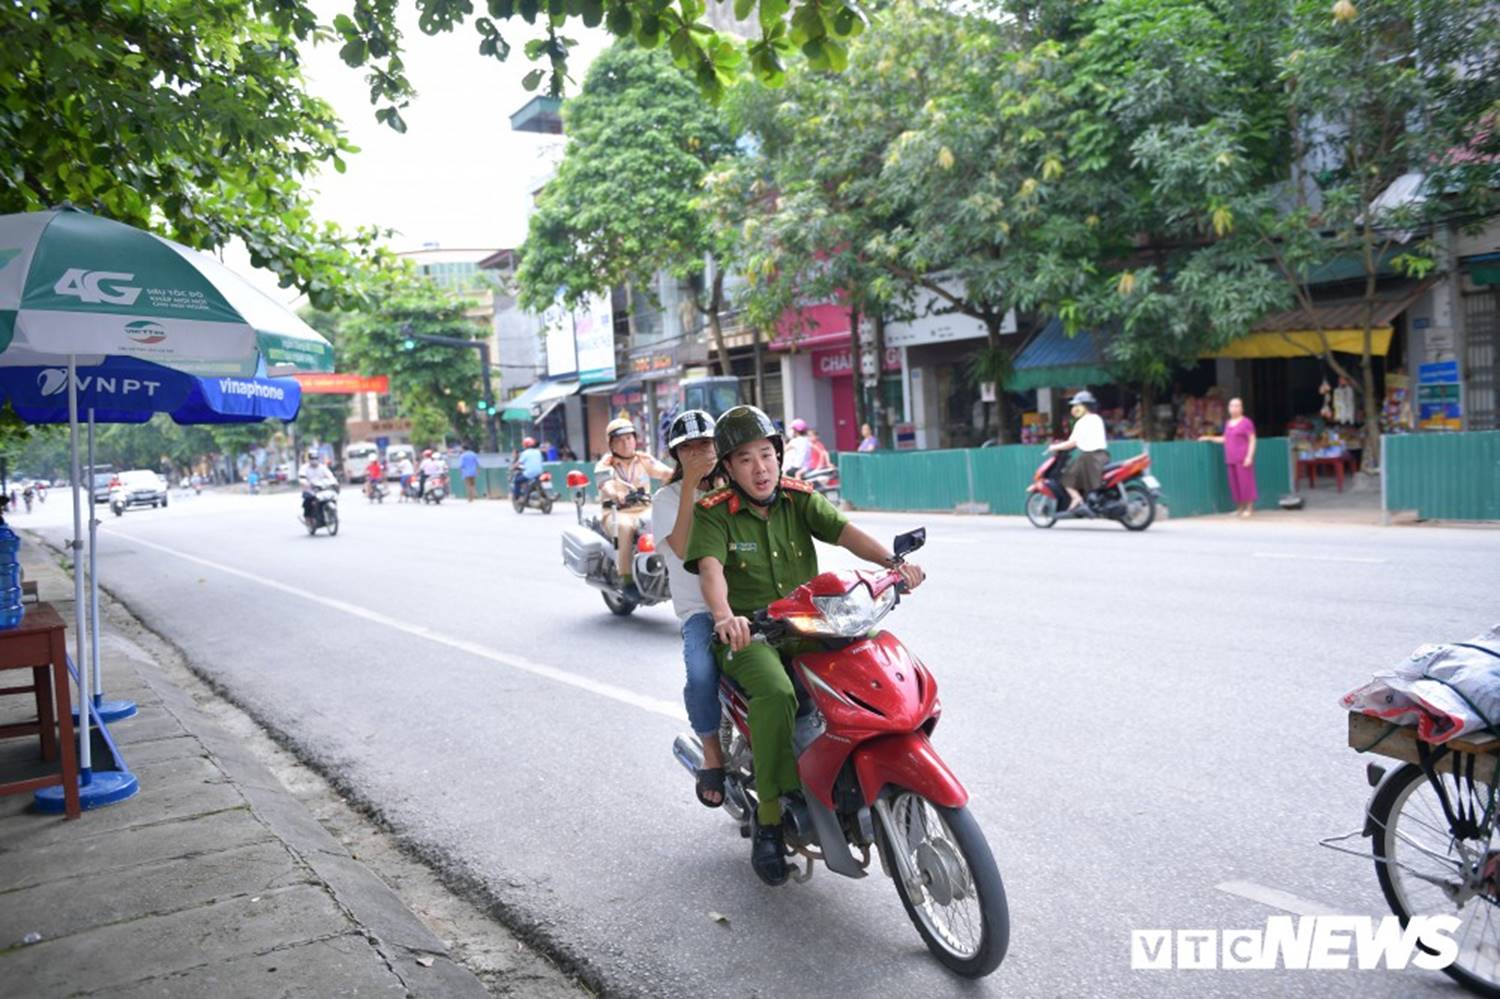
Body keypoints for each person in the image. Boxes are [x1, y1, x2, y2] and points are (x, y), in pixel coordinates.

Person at [684, 405, 926, 885]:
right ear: (728, 468)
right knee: (776, 693)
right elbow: (711, 571)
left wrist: (893, 564)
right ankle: (770, 821)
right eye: (746, 459)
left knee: (873, 655)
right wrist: (725, 617)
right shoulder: (712, 514)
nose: (761, 468)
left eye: (767, 455)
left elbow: (845, 532)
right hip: (751, 635)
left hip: (811, 625)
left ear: (779, 455)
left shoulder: (799, 499)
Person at [650, 410, 726, 808]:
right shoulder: (666, 499)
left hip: (746, 600)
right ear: (677, 455)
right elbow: (681, 547)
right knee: (700, 674)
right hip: (700, 610)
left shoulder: (736, 483)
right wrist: (693, 485)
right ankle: (711, 752)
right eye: (689, 447)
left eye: (706, 444)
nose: (699, 452)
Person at [594, 418, 672, 600]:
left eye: (629, 438)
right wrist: (615, 493)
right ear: (611, 443)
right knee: (625, 528)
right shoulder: (606, 463)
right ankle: (626, 579)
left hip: (645, 508)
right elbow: (605, 483)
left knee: (671, 520)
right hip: (617, 512)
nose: (626, 442)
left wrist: (677, 478)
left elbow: (665, 472)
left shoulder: (643, 459)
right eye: (620, 439)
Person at [1048, 390, 1108, 515]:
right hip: (1103, 456)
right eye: (1074, 406)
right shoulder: (1097, 419)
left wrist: (1055, 447)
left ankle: (1076, 499)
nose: (1074, 409)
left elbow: (1072, 443)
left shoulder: (1082, 422)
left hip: (1089, 457)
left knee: (1066, 479)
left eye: (1077, 406)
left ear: (1085, 406)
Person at [1199, 397, 1258, 517]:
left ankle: (1249, 509)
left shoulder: (1246, 422)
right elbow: (1225, 439)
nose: (1234, 408)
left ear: (1241, 408)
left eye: (1237, 406)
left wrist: (1249, 456)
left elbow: (1252, 440)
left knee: (1246, 483)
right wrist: (1209, 438)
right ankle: (1240, 508)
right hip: (1230, 458)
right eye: (1232, 406)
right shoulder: (1228, 423)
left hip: (1242, 458)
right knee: (1235, 484)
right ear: (1228, 408)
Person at [298, 450, 337, 523]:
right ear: (309, 459)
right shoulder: (304, 468)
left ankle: (332, 515)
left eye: (315, 458)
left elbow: (330, 475)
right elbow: (301, 478)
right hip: (309, 489)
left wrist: (334, 481)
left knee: (332, 497)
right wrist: (306, 483)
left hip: (322, 488)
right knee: (308, 501)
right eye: (312, 458)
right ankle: (308, 518)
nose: (314, 460)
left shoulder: (322, 467)